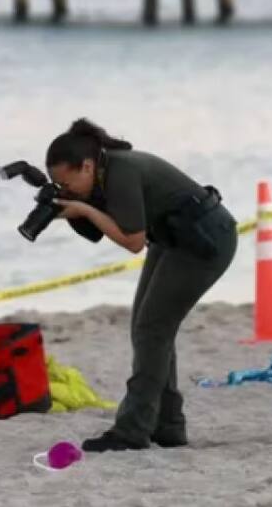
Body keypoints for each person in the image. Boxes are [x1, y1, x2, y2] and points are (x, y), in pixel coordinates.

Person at [44, 119, 238, 453]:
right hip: (171, 238)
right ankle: (168, 426)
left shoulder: (121, 172)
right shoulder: (105, 172)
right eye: (57, 184)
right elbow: (116, 228)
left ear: (87, 166)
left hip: (206, 241)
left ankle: (132, 430)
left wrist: (85, 210)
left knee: (153, 329)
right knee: (146, 328)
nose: (66, 189)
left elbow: (132, 241)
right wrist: (76, 209)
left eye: (67, 182)